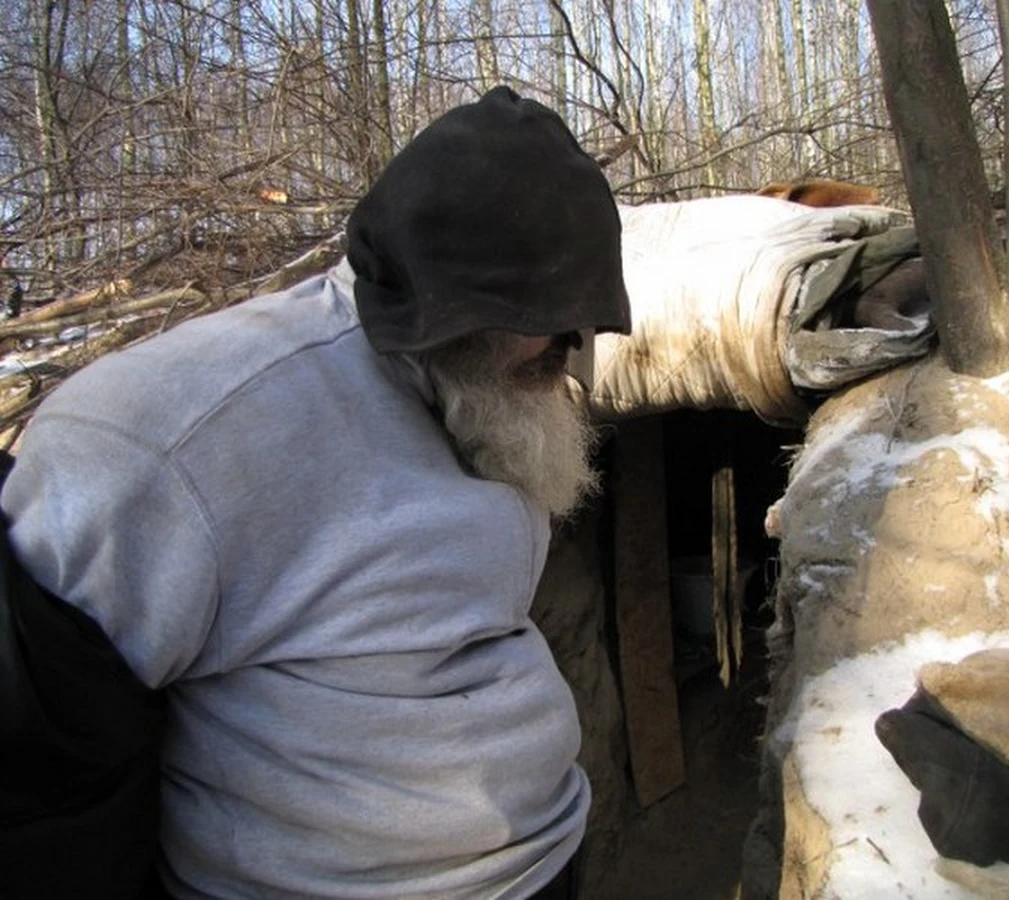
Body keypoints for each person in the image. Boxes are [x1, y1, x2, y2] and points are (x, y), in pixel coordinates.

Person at [0, 85, 630, 899]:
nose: (572, 346)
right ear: (456, 308)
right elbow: (42, 772)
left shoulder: (487, 397)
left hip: (545, 860)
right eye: (552, 315)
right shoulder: (187, 434)